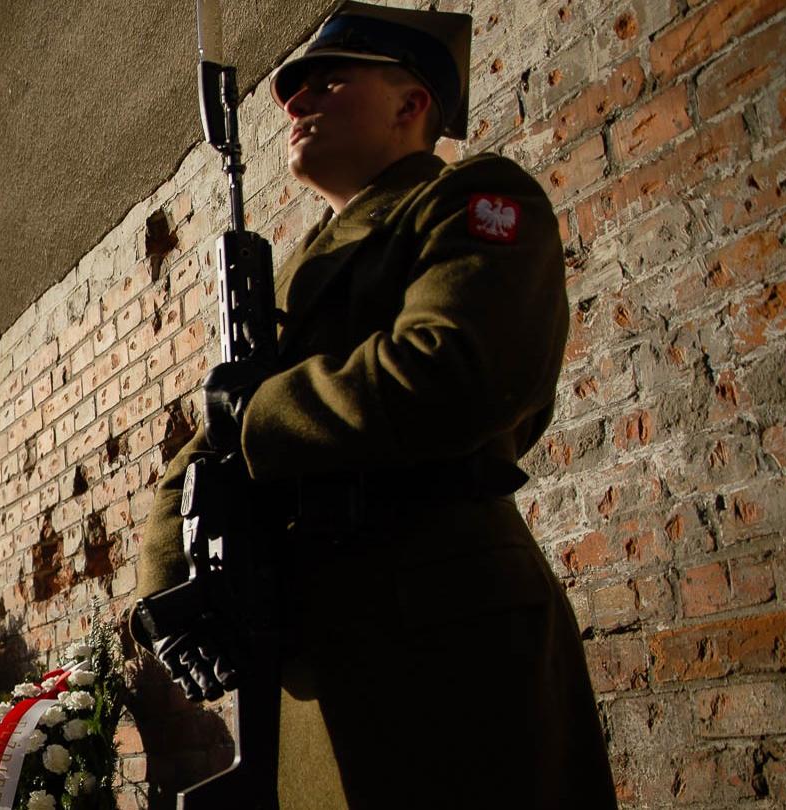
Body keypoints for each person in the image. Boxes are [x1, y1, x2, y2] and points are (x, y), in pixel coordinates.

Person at [134, 4, 617, 807]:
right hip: (314, 661)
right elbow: (212, 438)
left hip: (444, 641)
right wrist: (170, 587)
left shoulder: (474, 205)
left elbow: (451, 372)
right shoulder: (290, 276)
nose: (295, 103)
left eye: (329, 80)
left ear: (411, 104)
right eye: (291, 91)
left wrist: (258, 417)